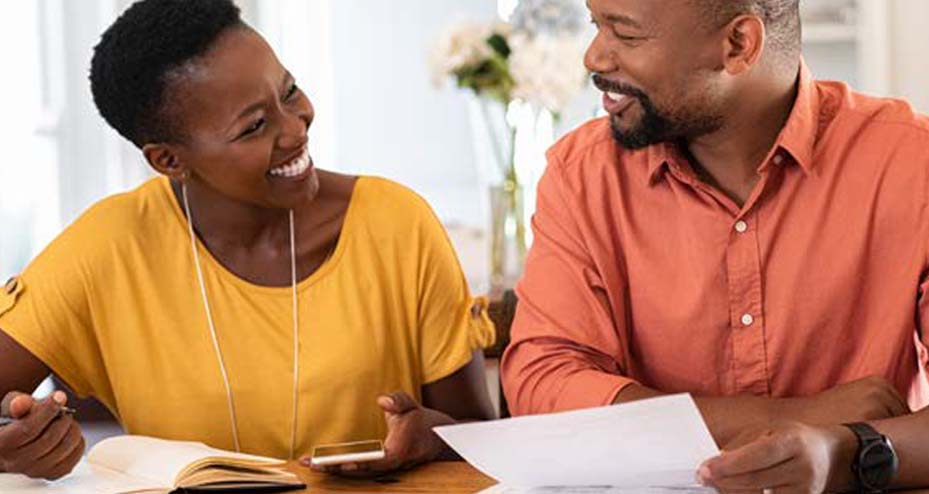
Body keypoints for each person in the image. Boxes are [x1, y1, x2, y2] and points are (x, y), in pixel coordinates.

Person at [0, 0, 495, 481]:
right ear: (168, 160)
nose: (295, 127)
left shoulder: (396, 224)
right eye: (255, 125)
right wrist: (14, 445)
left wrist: (427, 438)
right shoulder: (107, 247)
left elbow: (481, 439)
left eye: (290, 91)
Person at [502, 0, 929, 491]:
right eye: (598, 26)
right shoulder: (581, 176)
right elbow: (542, 384)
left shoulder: (911, 164)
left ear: (738, 45)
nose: (595, 57)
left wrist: (846, 453)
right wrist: (796, 416)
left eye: (626, 35)